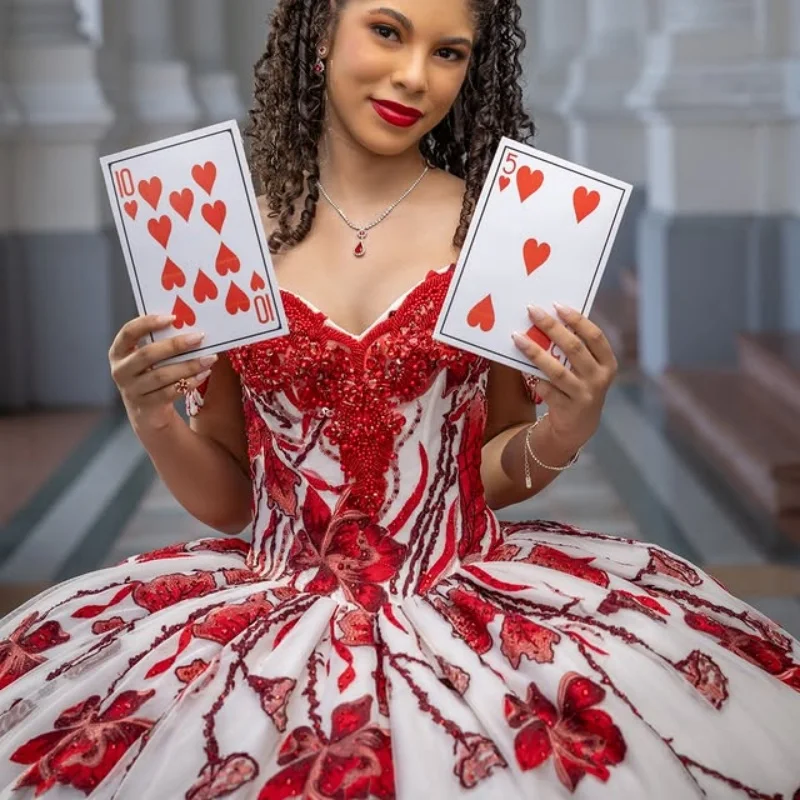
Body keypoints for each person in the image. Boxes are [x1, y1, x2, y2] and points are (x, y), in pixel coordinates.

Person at [0, 0, 798, 797]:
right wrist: (151, 420)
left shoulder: (506, 229)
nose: (415, 76)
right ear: (320, 34)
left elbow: (487, 475)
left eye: (449, 53)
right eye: (387, 31)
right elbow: (230, 499)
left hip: (463, 594)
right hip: (272, 599)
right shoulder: (220, 232)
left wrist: (565, 429)